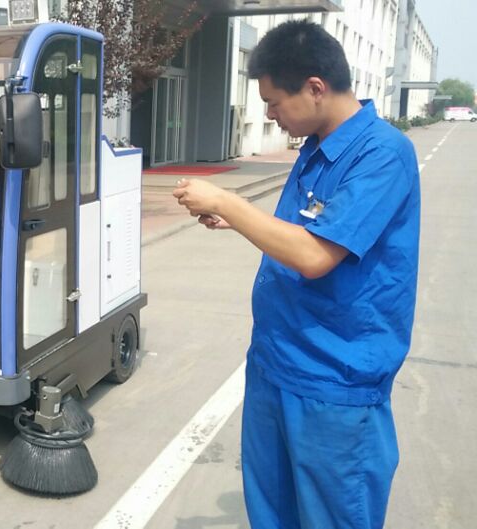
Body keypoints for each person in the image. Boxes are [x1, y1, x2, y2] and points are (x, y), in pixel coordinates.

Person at [173, 20, 420, 529]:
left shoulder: (382, 153)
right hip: (276, 362)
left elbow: (313, 256)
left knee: (333, 516)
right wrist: (237, 220)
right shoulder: (315, 145)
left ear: (315, 88)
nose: (269, 114)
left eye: (274, 102)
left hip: (332, 381)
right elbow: (303, 229)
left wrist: (229, 202)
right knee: (272, 512)